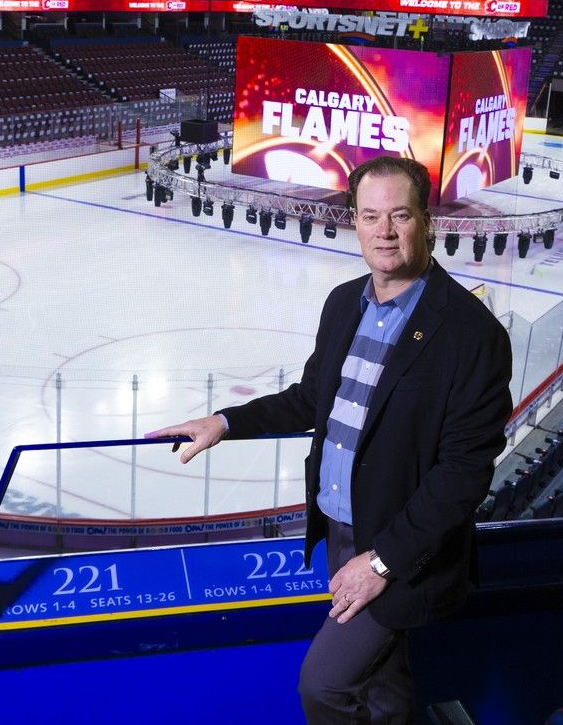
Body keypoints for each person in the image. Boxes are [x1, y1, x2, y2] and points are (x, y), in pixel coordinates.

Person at [146, 156, 513, 723]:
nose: (384, 232)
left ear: (427, 221)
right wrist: (225, 422)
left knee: (325, 686)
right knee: (382, 685)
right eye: (370, 216)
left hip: (397, 548)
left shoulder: (472, 333)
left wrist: (381, 563)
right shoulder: (344, 303)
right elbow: (311, 398)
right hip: (340, 530)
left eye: (400, 216)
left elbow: (464, 474)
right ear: (354, 222)